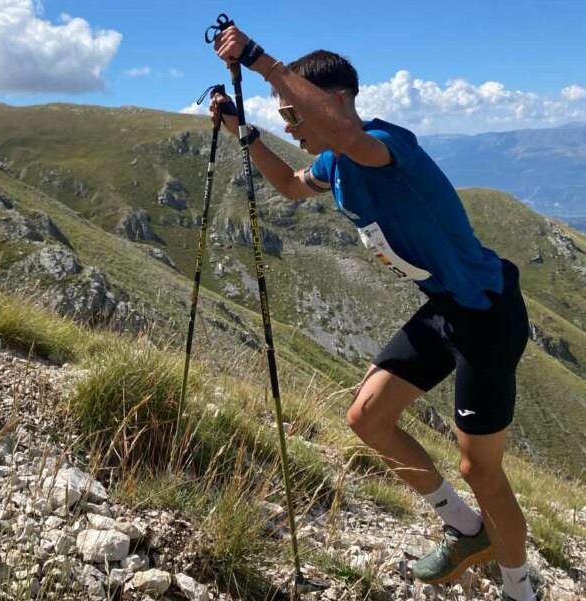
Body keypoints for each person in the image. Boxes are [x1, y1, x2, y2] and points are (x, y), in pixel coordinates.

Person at [209, 24, 535, 601]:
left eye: (293, 112)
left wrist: (259, 60)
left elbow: (347, 134)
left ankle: (519, 591)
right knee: (367, 419)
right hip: (445, 308)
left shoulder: (389, 147)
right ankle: (465, 531)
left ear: (334, 100)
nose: (290, 124)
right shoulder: (335, 164)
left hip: (486, 314)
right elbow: (287, 184)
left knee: (479, 469)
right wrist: (245, 132)